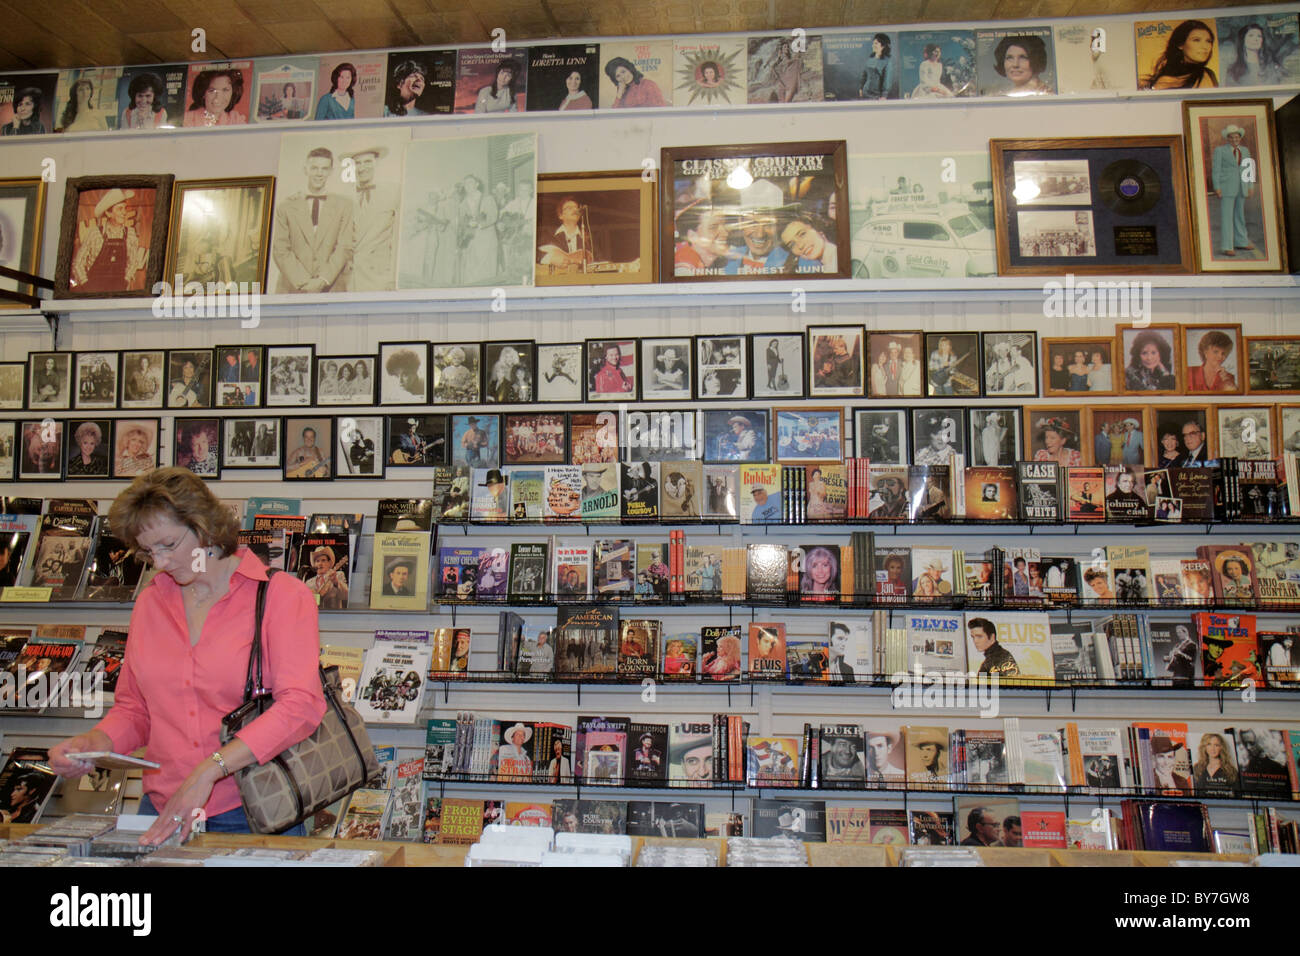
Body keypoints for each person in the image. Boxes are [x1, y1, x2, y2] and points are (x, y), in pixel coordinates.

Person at [46, 468, 325, 842]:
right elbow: (134, 710)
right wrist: (94, 744)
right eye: (148, 551)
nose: (159, 563)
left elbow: (301, 706)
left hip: (255, 808)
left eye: (169, 545)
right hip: (163, 809)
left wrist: (211, 769)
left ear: (206, 528)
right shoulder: (151, 603)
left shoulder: (281, 596)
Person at [272, 146, 354, 293]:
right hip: (292, 288)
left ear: (331, 171)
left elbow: (345, 247)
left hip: (332, 287)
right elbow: (280, 249)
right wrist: (303, 282)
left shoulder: (345, 205)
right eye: (314, 168)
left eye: (324, 169)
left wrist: (323, 280)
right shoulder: (286, 207)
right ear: (306, 169)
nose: (319, 173)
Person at [71, 187, 147, 293]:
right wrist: (85, 284)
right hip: (94, 290)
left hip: (118, 291)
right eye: (119, 209)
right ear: (108, 213)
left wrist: (125, 280)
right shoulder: (95, 234)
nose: (124, 212)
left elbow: (133, 262)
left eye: (125, 208)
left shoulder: (130, 234)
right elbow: (78, 262)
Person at [1212, 124, 1255, 258]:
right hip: (1226, 187)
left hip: (1241, 187)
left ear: (1240, 138)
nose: (1234, 139)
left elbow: (1249, 169)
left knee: (1239, 216)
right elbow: (1216, 170)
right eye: (1231, 137)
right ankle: (1227, 246)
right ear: (1227, 138)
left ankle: (1241, 241)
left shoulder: (1245, 150)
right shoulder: (1220, 151)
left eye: (1237, 137)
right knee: (1227, 217)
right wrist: (1217, 187)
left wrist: (1250, 186)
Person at [1141, 19, 1219, 89]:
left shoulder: (1208, 74)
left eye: (1208, 41)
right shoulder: (1164, 80)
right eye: (1196, 40)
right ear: (1180, 44)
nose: (1205, 47)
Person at [673, 203, 730, 276]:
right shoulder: (684, 268)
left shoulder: (723, 262)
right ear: (693, 236)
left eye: (725, 225)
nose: (725, 233)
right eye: (713, 228)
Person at [303, 545, 347, 610]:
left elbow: (346, 596)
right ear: (314, 565)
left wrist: (336, 582)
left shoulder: (338, 575)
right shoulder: (309, 583)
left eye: (323, 560)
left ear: (329, 563)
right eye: (317, 561)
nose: (320, 563)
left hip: (333, 617)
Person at [859, 33, 894, 99]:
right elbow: (864, 75)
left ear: (883, 46)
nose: (873, 45)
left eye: (876, 43)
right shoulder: (870, 59)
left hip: (876, 97)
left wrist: (884, 96)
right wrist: (861, 88)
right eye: (873, 43)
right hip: (865, 94)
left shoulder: (887, 62)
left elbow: (887, 81)